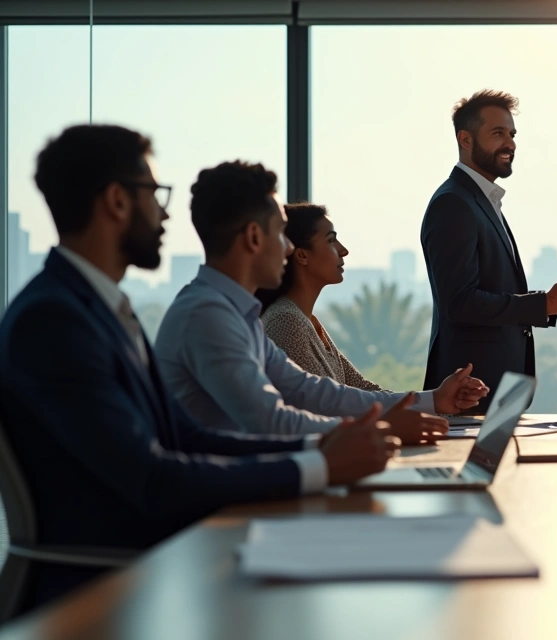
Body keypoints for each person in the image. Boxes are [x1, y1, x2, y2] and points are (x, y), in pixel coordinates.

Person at [0, 125, 402, 612]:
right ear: (116, 202)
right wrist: (319, 464)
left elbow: (184, 436)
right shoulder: (55, 320)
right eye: (154, 192)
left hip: (162, 557)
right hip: (102, 591)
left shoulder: (102, 307)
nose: (166, 211)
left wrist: (322, 447)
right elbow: (151, 478)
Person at [155, 161, 487, 440]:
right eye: (281, 233)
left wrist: (431, 400)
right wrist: (384, 428)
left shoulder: (235, 314)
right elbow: (271, 420)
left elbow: (313, 391)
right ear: (255, 237)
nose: (287, 248)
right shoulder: (209, 315)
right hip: (226, 508)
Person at [420, 90, 557, 410]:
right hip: (468, 393)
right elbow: (459, 303)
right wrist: (544, 304)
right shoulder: (453, 203)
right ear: (465, 139)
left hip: (496, 390)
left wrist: (547, 305)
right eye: (497, 133)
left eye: (511, 134)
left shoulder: (481, 200)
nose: (509, 143)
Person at [257, 203, 427, 391]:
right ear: (302, 255)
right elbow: (326, 402)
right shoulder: (286, 321)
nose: (343, 250)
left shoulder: (307, 321)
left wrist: (434, 400)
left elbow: (362, 389)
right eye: (331, 241)